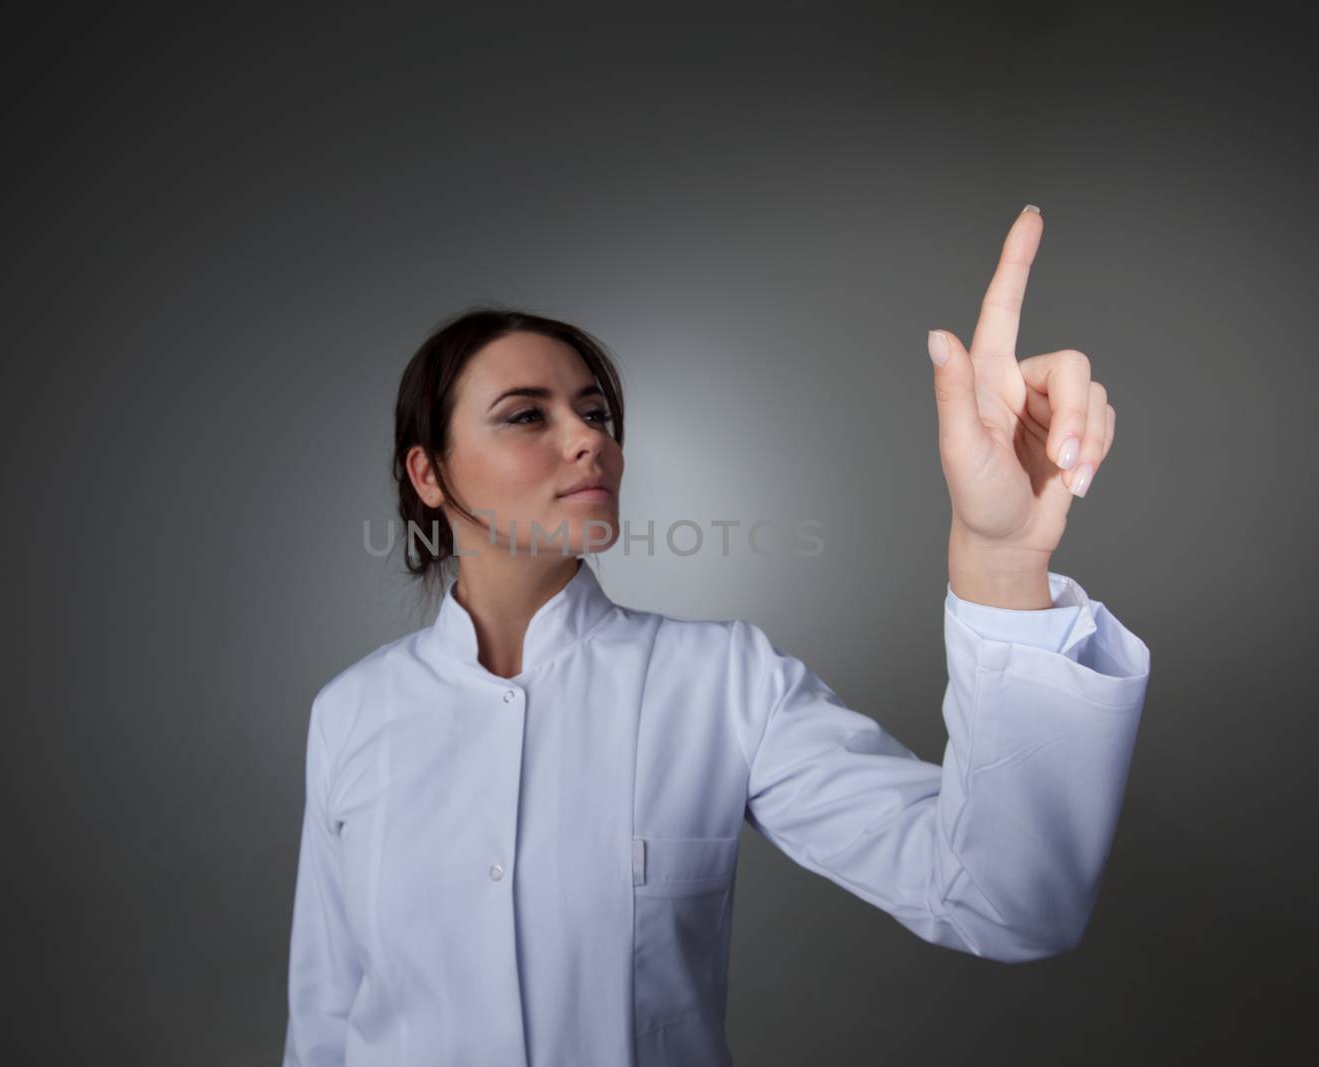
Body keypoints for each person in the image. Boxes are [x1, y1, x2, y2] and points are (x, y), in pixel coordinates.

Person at [282, 205, 1151, 1066]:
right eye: (526, 414)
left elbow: (1006, 901)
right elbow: (324, 1022)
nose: (588, 439)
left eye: (595, 411)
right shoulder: (352, 714)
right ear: (428, 473)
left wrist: (1000, 561)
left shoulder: (725, 681)